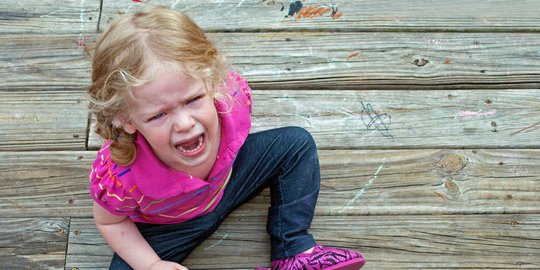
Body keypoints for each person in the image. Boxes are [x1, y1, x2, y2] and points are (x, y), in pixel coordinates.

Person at [86, 5, 365, 270]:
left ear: (211, 81)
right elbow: (111, 223)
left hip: (229, 181)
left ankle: (293, 249)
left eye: (194, 99)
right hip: (166, 226)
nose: (184, 123)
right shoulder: (121, 176)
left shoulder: (232, 102)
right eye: (159, 115)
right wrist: (151, 264)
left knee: (296, 144)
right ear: (126, 119)